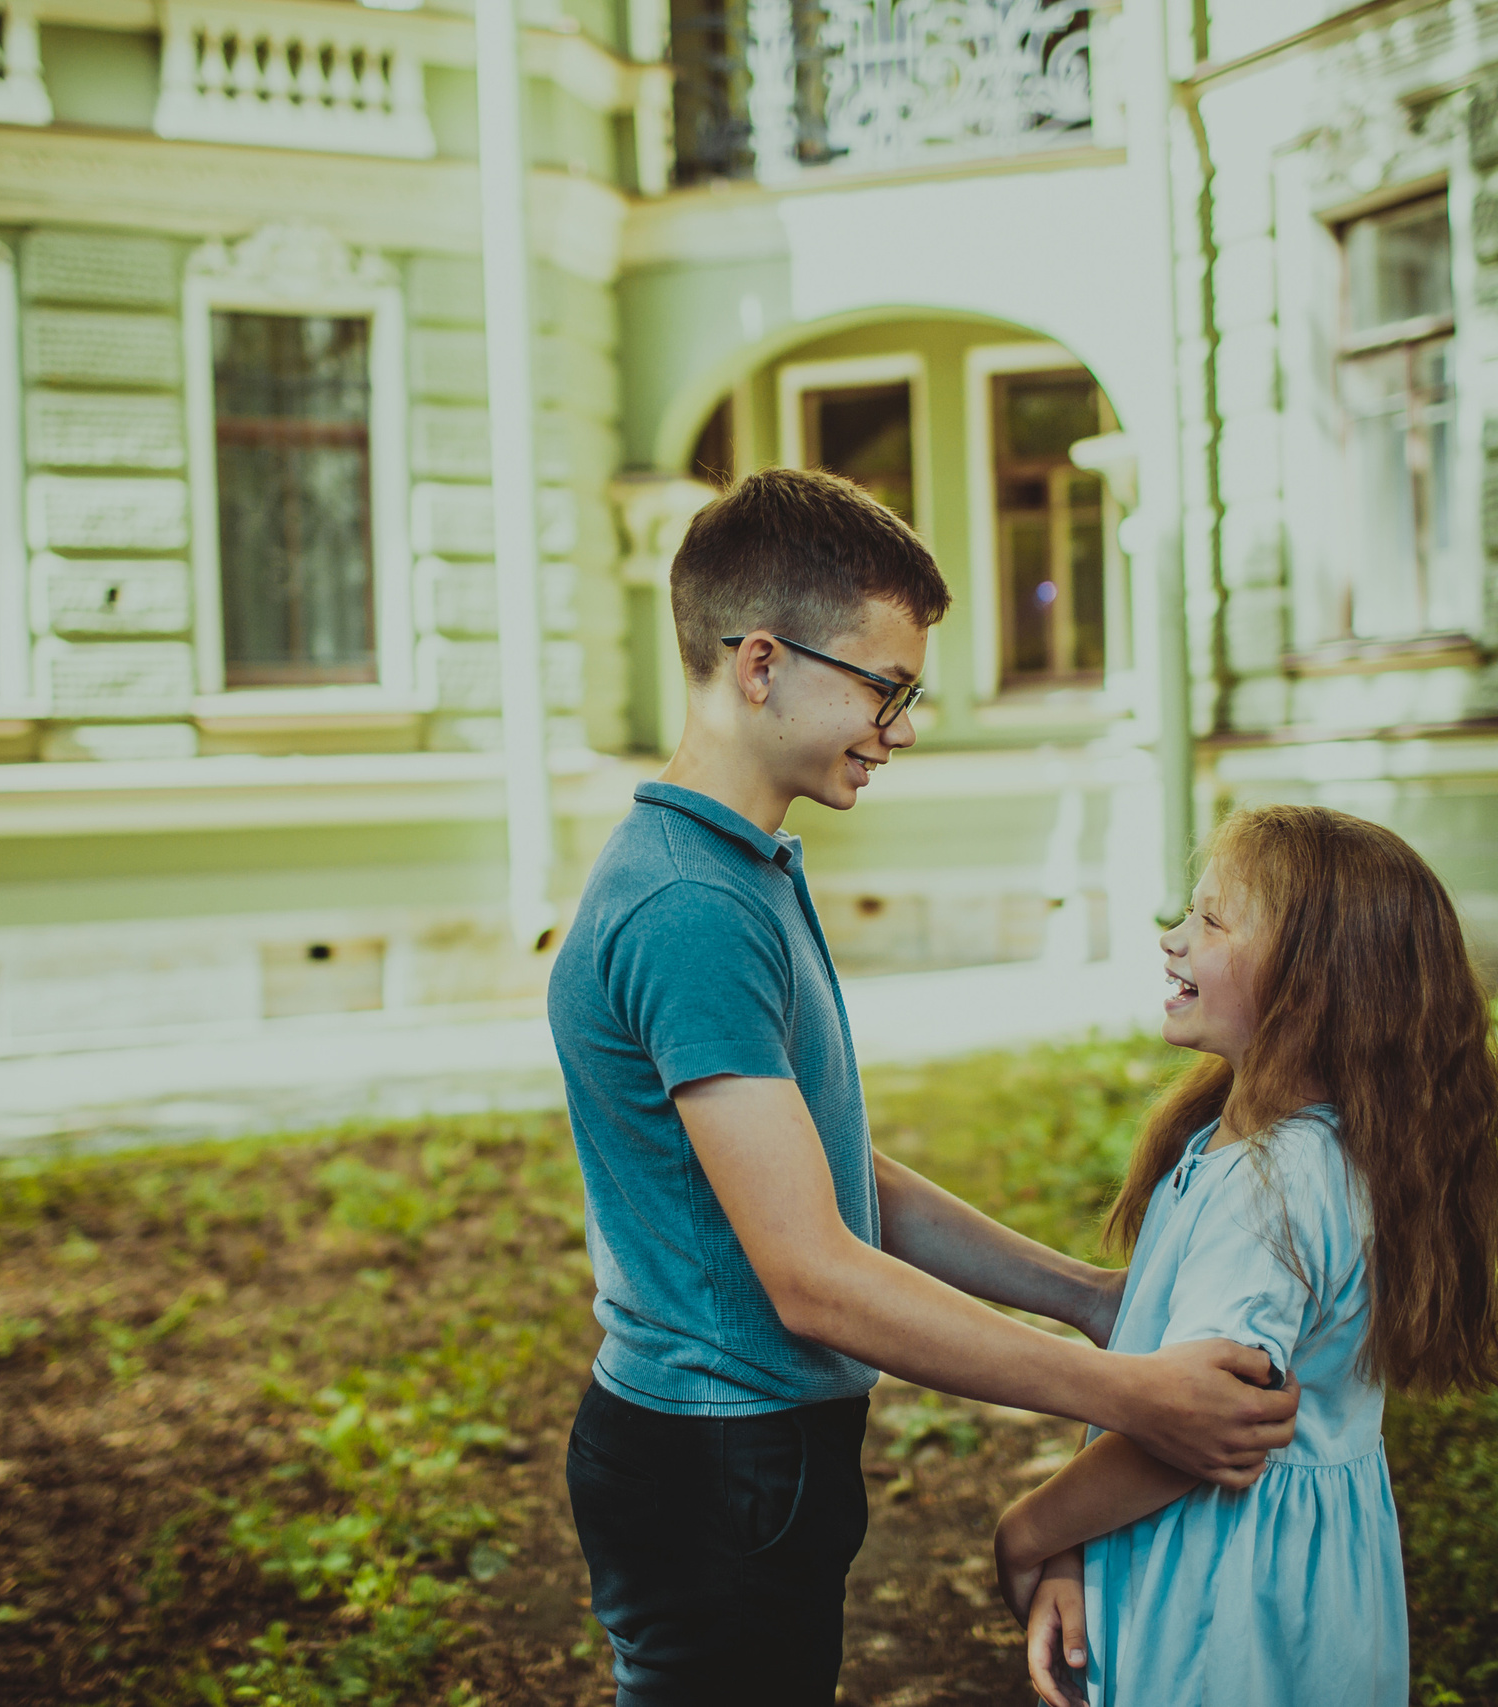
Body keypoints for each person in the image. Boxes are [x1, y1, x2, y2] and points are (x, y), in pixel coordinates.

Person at [547, 466, 1301, 1707]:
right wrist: (1133, 1398)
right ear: (757, 665)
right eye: (884, 689)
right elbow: (814, 1277)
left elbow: (840, 1184)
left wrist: (1088, 1298)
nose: (900, 728)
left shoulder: (737, 869)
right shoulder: (690, 907)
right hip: (718, 1459)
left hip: (742, 1454)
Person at [991, 803, 1498, 1707]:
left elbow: (1195, 1428)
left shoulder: (1272, 1183)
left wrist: (1031, 1528)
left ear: (1311, 985)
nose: (1171, 938)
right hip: (1294, 1590)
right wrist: (1078, 1545)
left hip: (1220, 1603)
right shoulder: (1293, 1145)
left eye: (1211, 919)